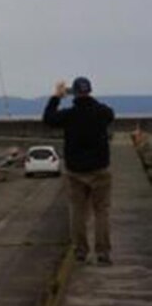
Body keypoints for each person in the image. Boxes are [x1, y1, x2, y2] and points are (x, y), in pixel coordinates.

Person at [42, 76, 115, 265]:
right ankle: (103, 252)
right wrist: (88, 99)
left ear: (73, 92)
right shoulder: (102, 112)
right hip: (100, 169)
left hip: (75, 171)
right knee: (101, 212)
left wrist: (57, 96)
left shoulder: (69, 115)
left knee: (77, 212)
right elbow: (109, 113)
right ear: (90, 91)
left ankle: (81, 251)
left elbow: (48, 118)